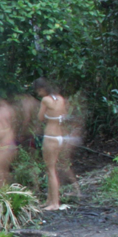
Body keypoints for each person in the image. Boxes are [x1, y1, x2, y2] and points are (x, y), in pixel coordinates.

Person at [34, 78, 80, 210]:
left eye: (38, 90)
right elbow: (64, 114)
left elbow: (40, 118)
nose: (38, 94)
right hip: (60, 136)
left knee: (50, 170)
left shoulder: (45, 100)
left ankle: (54, 203)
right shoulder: (60, 98)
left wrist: (48, 115)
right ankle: (50, 200)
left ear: (42, 89)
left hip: (50, 136)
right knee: (52, 168)